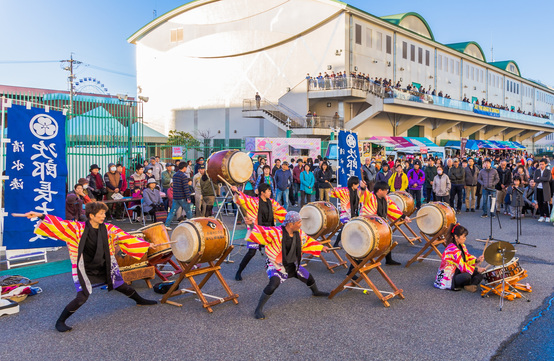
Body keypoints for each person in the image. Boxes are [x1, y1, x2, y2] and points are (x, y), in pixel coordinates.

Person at [26, 202, 156, 332]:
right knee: (82, 296)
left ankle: (140, 300)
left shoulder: (109, 228)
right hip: (85, 266)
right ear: (91, 215)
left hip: (105, 264)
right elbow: (60, 225)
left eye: (104, 213)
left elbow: (125, 237)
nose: (104, 216)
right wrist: (40, 215)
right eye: (101, 214)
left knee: (120, 285)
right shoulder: (77, 228)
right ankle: (60, 321)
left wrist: (146, 245)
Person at [245, 211, 329, 319]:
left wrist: (322, 247)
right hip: (277, 264)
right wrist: (251, 225)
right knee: (273, 284)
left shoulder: (299, 233)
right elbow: (261, 232)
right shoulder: (276, 232)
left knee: (308, 277)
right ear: (290, 224)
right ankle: (258, 309)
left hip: (293, 263)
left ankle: (316, 291)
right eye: (299, 222)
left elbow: (308, 241)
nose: (300, 224)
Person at [231, 182, 287, 281]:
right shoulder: (255, 202)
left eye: (270, 190)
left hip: (269, 230)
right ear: (262, 193)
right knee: (251, 252)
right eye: (268, 191)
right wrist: (236, 191)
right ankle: (239, 271)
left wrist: (291, 219)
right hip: (257, 230)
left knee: (278, 248)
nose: (270, 192)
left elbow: (282, 212)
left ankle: (279, 268)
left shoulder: (272, 203)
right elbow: (245, 198)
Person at [360, 181, 407, 266]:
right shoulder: (371, 197)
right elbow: (364, 195)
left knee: (387, 239)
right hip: (369, 224)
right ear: (380, 190)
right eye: (386, 190)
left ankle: (388, 259)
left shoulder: (386, 198)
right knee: (367, 245)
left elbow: (393, 207)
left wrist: (403, 216)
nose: (387, 191)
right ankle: (354, 268)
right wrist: (363, 188)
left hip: (381, 223)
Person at [434, 223, 485, 292]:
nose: (465, 239)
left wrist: (477, 260)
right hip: (450, 276)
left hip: (458, 271)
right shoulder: (452, 250)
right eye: (463, 237)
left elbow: (467, 258)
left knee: (480, 274)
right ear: (456, 237)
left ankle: (469, 285)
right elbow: (462, 266)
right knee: (467, 276)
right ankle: (470, 284)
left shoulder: (462, 245)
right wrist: (476, 269)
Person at [165, 162, 193, 228]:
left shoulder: (174, 175)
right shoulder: (184, 176)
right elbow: (185, 188)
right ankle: (191, 224)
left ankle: (167, 225)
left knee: (172, 212)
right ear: (184, 168)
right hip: (182, 197)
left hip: (176, 197)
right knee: (188, 211)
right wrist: (188, 197)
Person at [533, 158, 552, 222]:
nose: (541, 166)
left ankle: (547, 216)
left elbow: (548, 179)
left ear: (545, 164)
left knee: (545, 202)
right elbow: (535, 179)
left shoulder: (548, 171)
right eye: (540, 164)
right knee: (540, 202)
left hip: (545, 189)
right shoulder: (537, 171)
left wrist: (540, 178)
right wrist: (542, 179)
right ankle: (541, 216)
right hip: (538, 188)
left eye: (542, 164)